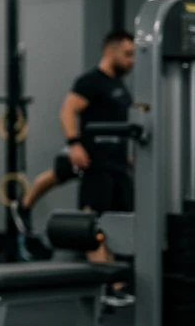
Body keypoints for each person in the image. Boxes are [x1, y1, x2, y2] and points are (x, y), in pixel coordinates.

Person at [10, 31, 136, 297]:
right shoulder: (90, 81)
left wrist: (125, 155)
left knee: (112, 214)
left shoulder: (120, 86)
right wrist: (75, 142)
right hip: (90, 155)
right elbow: (68, 110)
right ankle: (110, 286)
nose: (132, 60)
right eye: (127, 54)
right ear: (109, 51)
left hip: (112, 160)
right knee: (95, 217)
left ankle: (23, 205)